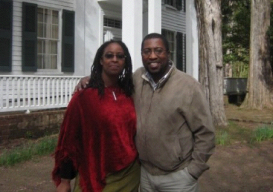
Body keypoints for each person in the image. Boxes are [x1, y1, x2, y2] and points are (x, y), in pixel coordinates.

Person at [76, 33, 215, 192]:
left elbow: (205, 132)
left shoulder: (188, 86)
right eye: (147, 51)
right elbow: (112, 82)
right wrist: (90, 79)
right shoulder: (136, 79)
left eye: (158, 50)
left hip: (178, 177)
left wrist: (194, 171)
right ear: (142, 54)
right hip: (145, 175)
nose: (152, 56)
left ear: (168, 54)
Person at [52, 40, 140, 192]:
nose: (114, 59)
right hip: (94, 174)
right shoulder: (84, 97)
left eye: (120, 56)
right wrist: (65, 181)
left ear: (125, 61)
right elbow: (69, 141)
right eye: (109, 55)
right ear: (101, 60)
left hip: (129, 174)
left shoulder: (129, 93)